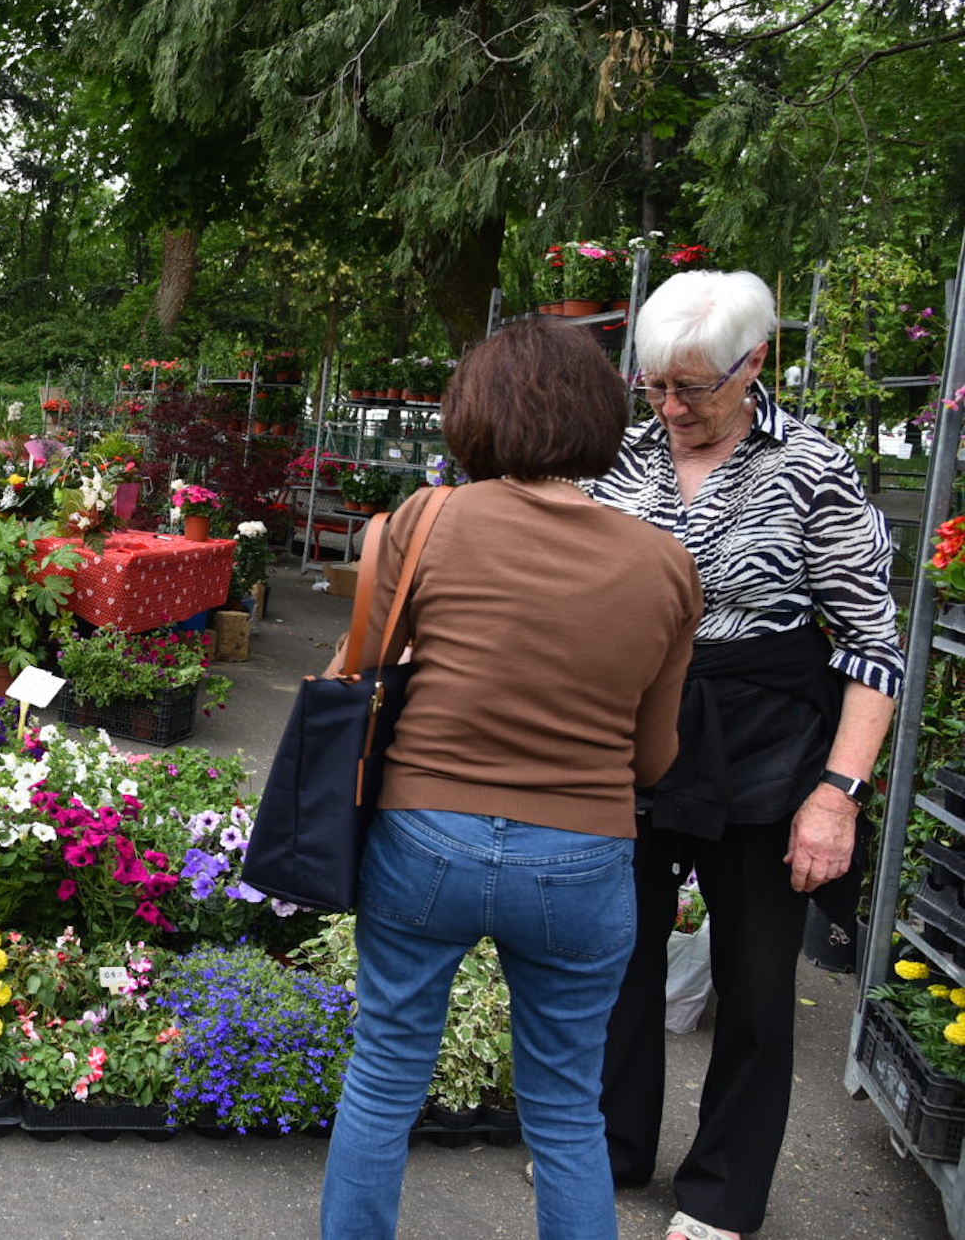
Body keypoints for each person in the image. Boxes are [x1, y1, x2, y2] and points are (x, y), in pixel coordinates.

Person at [318, 319, 701, 1240]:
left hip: (424, 836)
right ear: (602, 419)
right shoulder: (665, 564)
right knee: (569, 1111)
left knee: (382, 1077)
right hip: (582, 858)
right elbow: (655, 760)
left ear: (473, 414)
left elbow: (350, 676)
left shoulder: (427, 520)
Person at [594, 270, 903, 1240]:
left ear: (753, 361)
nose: (672, 407)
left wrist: (835, 794)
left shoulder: (811, 465)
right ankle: (607, 1145)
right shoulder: (621, 453)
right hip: (636, 730)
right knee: (614, 952)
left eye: (693, 386)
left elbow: (870, 647)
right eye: (655, 385)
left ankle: (721, 1192)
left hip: (767, 742)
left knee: (758, 979)